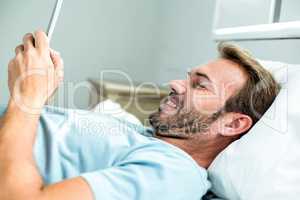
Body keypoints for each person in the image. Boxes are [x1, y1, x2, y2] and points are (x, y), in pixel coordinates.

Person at [0, 30, 280, 200]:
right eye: (187, 78)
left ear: (232, 123)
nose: (175, 85)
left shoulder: (173, 175)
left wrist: (27, 99)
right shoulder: (140, 134)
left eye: (200, 85)